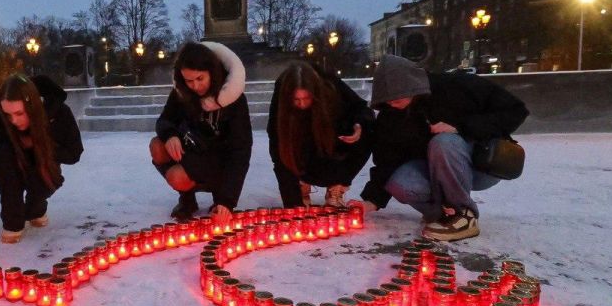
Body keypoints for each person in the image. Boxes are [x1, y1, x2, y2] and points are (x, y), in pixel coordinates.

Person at [356, 54, 529, 241]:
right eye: (386, 98)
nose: (391, 102)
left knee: (443, 141)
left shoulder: (457, 86)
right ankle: (443, 214)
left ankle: (463, 215)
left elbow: (516, 110)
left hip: (479, 166)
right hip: (432, 169)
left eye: (397, 96)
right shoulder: (391, 116)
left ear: (413, 84)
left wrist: (461, 128)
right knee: (398, 183)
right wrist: (371, 201)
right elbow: (386, 161)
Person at [0, 73, 83, 244]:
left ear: (32, 105)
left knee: (39, 193)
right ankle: (13, 220)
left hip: (44, 167)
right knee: (1, 154)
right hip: (11, 166)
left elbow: (74, 153)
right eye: (8, 114)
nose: (14, 121)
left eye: (19, 113)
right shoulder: (0, 120)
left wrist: (40, 145)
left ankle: (36, 207)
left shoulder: (59, 113)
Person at [150, 41, 253, 222]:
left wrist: (226, 201)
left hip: (220, 160)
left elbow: (241, 151)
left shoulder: (233, 98)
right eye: (189, 80)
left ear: (212, 72)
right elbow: (165, 120)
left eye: (200, 79)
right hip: (194, 150)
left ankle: (216, 195)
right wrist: (170, 135)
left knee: (177, 176)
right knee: (157, 146)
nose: (195, 86)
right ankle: (187, 199)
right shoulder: (182, 92)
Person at [268, 61, 374, 208]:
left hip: (328, 142)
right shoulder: (281, 94)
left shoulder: (328, 82)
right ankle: (300, 185)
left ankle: (336, 185)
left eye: (307, 98)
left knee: (368, 130)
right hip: (302, 151)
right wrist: (292, 203)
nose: (302, 104)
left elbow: (360, 107)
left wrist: (358, 124)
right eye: (296, 100)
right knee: (288, 144)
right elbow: (277, 147)